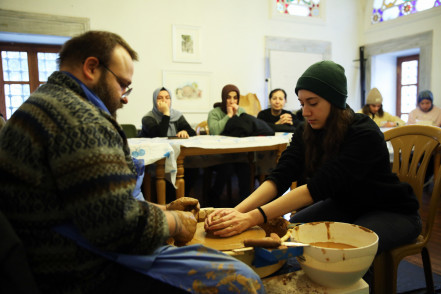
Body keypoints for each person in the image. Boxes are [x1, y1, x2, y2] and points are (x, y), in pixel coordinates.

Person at [0, 31, 263, 294]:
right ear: (92, 67)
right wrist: (174, 221)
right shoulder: (81, 120)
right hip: (77, 269)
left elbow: (91, 201)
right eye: (122, 85)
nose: (125, 97)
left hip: (58, 249)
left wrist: (162, 207)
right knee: (241, 281)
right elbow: (115, 225)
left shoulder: (43, 102)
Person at [205, 61, 421, 272]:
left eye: (313, 103)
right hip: (348, 205)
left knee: (354, 247)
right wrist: (237, 211)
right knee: (294, 227)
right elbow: (280, 177)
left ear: (335, 101)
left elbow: (316, 189)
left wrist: (252, 217)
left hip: (391, 210)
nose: (305, 111)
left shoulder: (364, 132)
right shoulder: (306, 131)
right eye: (302, 103)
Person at [139, 87, 198, 201]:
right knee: (164, 171)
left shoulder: (177, 115)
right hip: (155, 159)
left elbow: (192, 132)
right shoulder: (148, 118)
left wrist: (185, 131)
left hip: (176, 157)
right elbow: (160, 135)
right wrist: (166, 114)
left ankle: (180, 199)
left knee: (193, 169)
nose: (164, 101)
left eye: (167, 98)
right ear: (154, 101)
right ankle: (166, 202)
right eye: (160, 98)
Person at [206, 84, 251, 207]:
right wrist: (229, 116)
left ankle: (245, 205)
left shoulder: (241, 111)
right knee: (226, 168)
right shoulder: (214, 113)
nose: (232, 101)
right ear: (223, 98)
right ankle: (214, 199)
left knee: (245, 168)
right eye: (228, 97)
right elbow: (215, 131)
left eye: (235, 98)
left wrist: (236, 115)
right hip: (219, 155)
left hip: (238, 154)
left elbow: (247, 129)